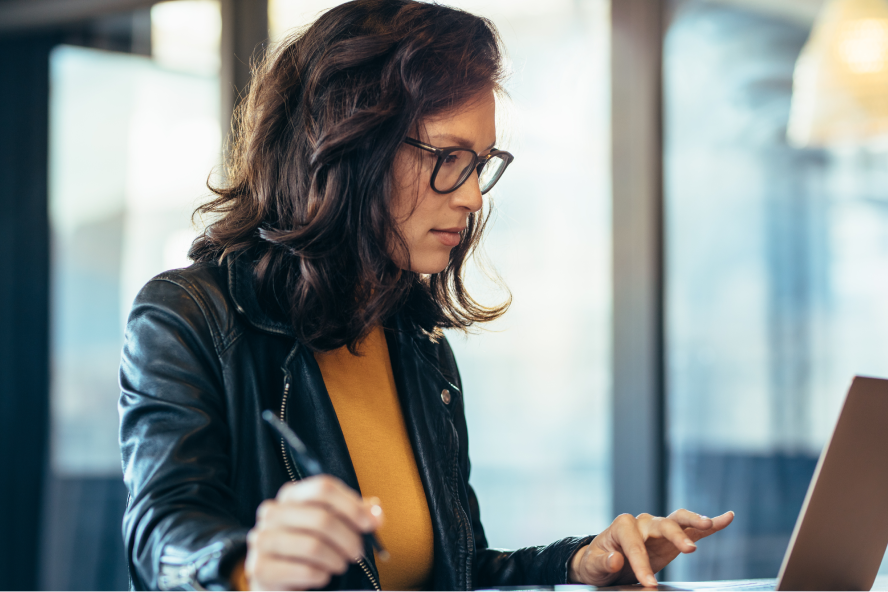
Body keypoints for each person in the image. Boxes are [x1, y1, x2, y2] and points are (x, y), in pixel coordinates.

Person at [118, 1, 733, 591]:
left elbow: (453, 571)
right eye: (449, 158)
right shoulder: (188, 316)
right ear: (351, 145)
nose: (471, 196)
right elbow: (160, 539)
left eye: (481, 163)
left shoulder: (415, 340)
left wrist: (582, 562)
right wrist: (249, 567)